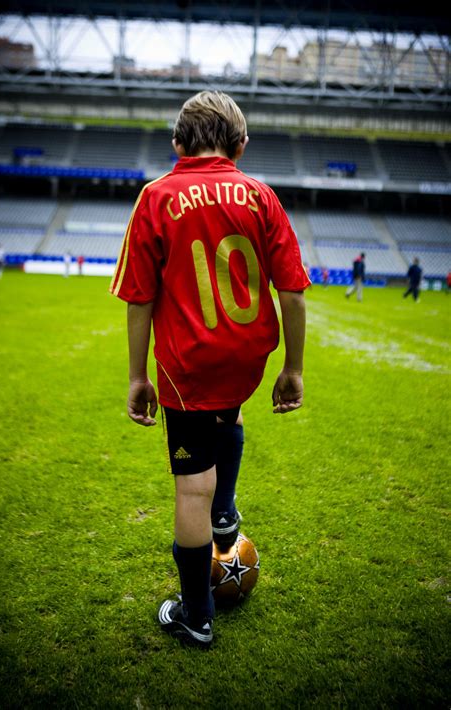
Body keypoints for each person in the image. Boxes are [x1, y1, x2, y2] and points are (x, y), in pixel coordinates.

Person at [110, 91, 309, 648]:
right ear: (241, 145)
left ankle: (196, 614)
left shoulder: (156, 197)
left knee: (190, 489)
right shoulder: (260, 195)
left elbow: (138, 298)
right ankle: (226, 513)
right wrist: (292, 368)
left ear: (177, 144)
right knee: (230, 414)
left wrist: (137, 377)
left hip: (186, 366)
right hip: (245, 357)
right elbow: (291, 291)